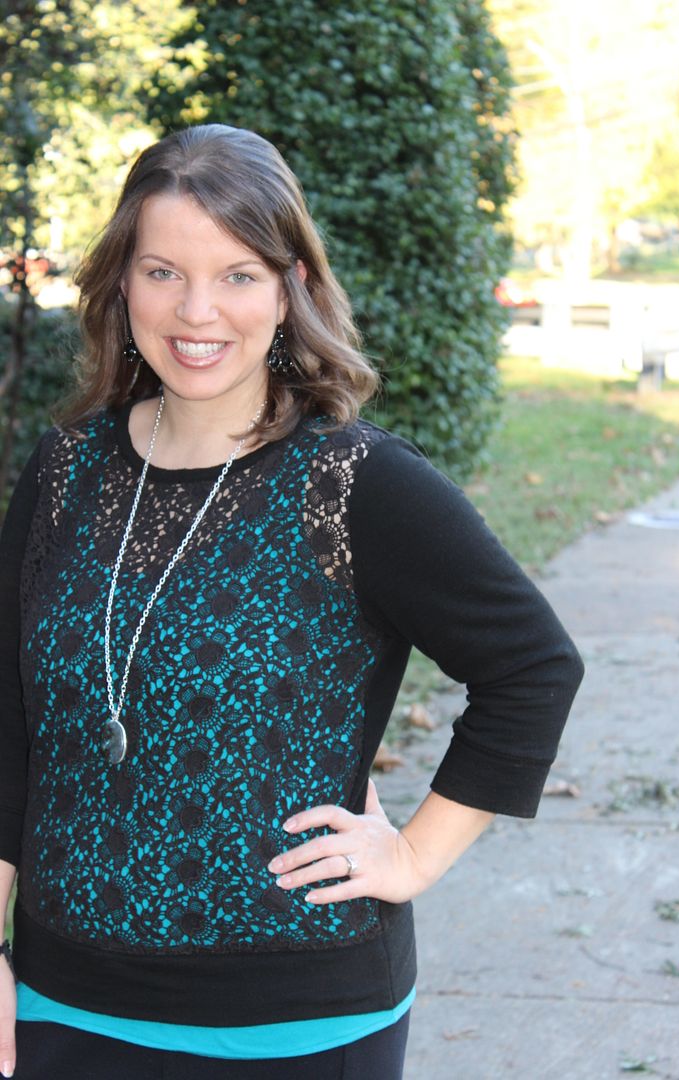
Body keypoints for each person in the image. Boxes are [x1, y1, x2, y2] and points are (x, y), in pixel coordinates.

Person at [0, 124, 584, 1080]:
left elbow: (532, 667)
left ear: (291, 288)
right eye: (162, 272)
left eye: (238, 274)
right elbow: (8, 723)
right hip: (63, 1004)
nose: (198, 310)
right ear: (121, 284)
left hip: (296, 1021)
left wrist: (414, 858)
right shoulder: (67, 472)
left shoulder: (353, 481)